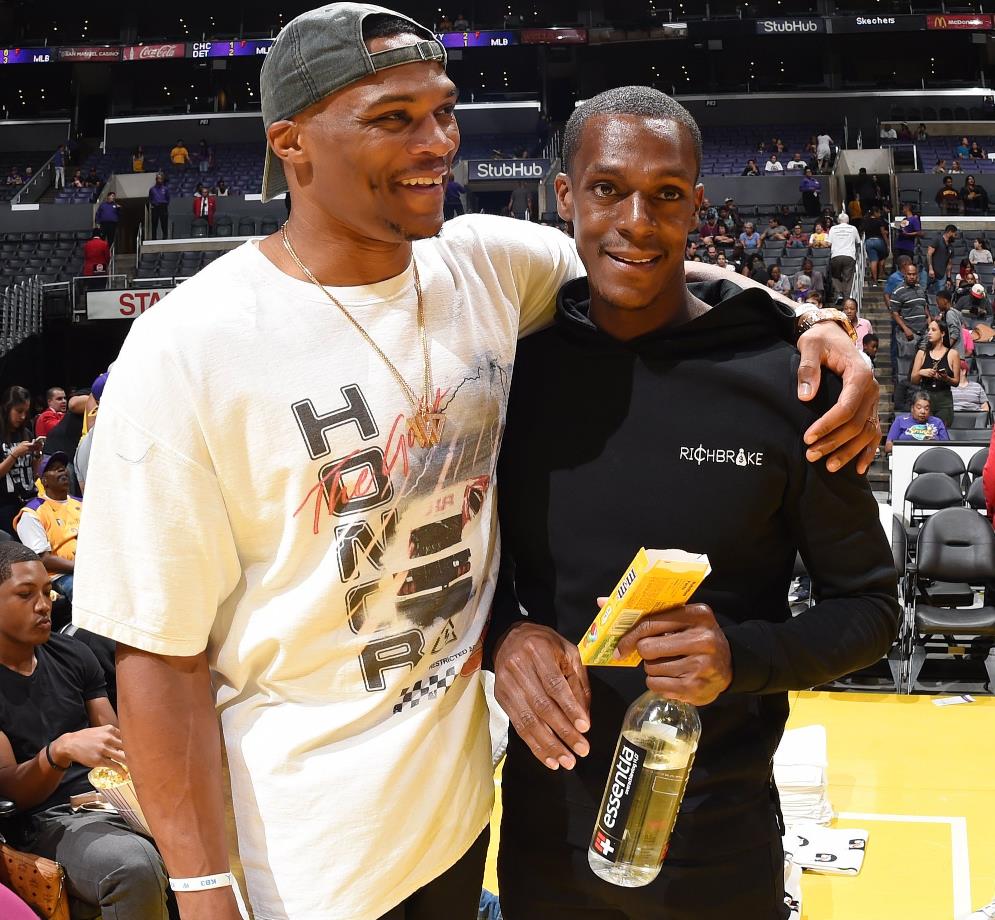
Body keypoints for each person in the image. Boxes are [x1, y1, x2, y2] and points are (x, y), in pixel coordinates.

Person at [72, 8, 878, 920]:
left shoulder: (487, 264)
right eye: (393, 118)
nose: (437, 143)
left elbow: (647, 259)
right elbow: (156, 656)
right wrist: (202, 890)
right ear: (290, 143)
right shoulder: (187, 347)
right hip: (296, 861)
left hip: (457, 827)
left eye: (443, 111)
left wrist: (816, 322)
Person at [489, 85, 898, 920]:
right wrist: (503, 636)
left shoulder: (790, 385)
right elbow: (460, 567)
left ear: (697, 205)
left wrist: (739, 658)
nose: (636, 222)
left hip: (718, 846)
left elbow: (868, 609)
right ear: (564, 196)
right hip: (542, 837)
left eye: (666, 194)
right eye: (607, 189)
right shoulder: (509, 377)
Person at [0, 542, 172, 919]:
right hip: (40, 820)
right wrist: (58, 753)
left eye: (47, 592)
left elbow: (116, 745)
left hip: (106, 801)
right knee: (131, 865)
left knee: (191, 832)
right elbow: (11, 792)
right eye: (26, 595)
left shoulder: (73, 653)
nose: (43, 605)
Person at [13, 452, 81, 604]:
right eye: (55, 468)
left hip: (93, 564)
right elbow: (43, 559)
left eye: (63, 467)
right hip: (60, 575)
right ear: (44, 481)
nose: (62, 470)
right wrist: (83, 567)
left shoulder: (83, 503)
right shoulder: (32, 512)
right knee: (83, 588)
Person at [891, 261, 933, 411]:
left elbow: (925, 307)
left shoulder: (920, 289)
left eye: (914, 274)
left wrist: (929, 320)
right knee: (905, 368)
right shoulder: (898, 291)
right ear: (905, 274)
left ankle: (918, 400)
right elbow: (894, 312)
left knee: (921, 366)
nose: (912, 276)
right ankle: (902, 402)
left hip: (923, 333)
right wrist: (905, 328)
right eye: (909, 274)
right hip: (908, 334)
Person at [0, 387, 41, 536]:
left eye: (26, 412)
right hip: (6, 503)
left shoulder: (26, 433)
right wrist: (14, 454)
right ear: (7, 408)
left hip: (30, 501)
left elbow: (34, 474)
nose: (23, 416)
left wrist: (37, 454)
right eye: (19, 411)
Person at [911, 319, 960, 427]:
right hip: (925, 398)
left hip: (944, 399)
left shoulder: (953, 354)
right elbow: (913, 380)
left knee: (941, 431)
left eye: (933, 330)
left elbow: (956, 382)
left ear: (942, 333)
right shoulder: (921, 353)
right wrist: (921, 372)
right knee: (924, 431)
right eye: (928, 330)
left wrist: (946, 378)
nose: (929, 333)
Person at [885, 392, 950, 451]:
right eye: (919, 408)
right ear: (912, 408)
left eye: (926, 409)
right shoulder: (900, 421)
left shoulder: (937, 422)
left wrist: (934, 443)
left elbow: (948, 448)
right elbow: (888, 448)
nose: (923, 411)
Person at [828, 211, 860, 302]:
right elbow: (858, 242)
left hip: (836, 255)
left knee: (835, 276)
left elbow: (829, 243)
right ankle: (847, 298)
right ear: (848, 220)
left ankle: (839, 293)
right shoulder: (853, 228)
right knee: (848, 278)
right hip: (849, 255)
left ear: (838, 220)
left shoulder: (833, 229)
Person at [927, 224, 958, 293]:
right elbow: (929, 254)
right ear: (950, 232)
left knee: (941, 294)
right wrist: (930, 269)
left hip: (941, 274)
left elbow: (949, 264)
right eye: (954, 234)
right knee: (922, 290)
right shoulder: (937, 240)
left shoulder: (951, 247)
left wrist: (948, 278)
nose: (955, 237)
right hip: (928, 271)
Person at [862, 205, 889, 283]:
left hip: (869, 241)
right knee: (883, 257)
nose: (880, 214)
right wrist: (887, 243)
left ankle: (874, 280)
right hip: (879, 240)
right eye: (879, 212)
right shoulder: (879, 221)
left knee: (873, 260)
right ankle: (880, 275)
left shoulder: (866, 221)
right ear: (875, 213)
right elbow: (883, 232)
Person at [934, 289, 964, 359]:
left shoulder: (950, 313)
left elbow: (955, 332)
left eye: (938, 302)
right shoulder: (951, 313)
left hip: (954, 356)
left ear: (945, 301)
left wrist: (946, 349)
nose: (937, 305)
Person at [893, 202, 922, 267]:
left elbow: (918, 232)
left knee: (907, 265)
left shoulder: (914, 219)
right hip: (899, 245)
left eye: (903, 208)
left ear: (907, 208)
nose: (902, 210)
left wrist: (908, 234)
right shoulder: (904, 219)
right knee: (898, 264)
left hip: (908, 246)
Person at [148, 174, 170, 240]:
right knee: (154, 223)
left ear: (162, 180)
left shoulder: (165, 189)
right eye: (158, 178)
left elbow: (168, 198)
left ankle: (165, 237)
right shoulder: (152, 189)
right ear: (156, 179)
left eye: (161, 179)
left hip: (163, 207)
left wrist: (164, 204)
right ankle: (154, 238)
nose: (159, 180)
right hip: (155, 207)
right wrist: (154, 204)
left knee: (164, 223)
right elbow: (150, 198)